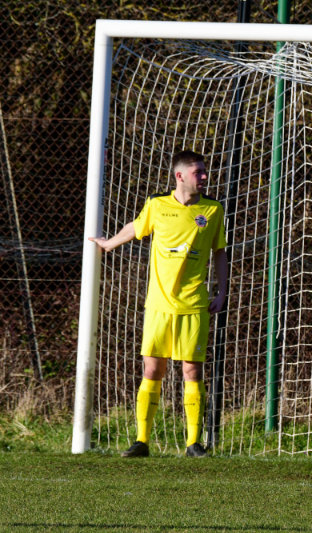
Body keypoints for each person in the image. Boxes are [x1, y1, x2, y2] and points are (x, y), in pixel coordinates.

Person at [89, 150, 228, 458]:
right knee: (153, 369)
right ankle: (141, 441)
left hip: (193, 303)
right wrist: (109, 243)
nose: (204, 177)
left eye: (205, 172)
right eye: (198, 172)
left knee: (192, 370)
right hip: (158, 304)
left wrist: (222, 291)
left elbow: (220, 251)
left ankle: (194, 443)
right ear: (179, 176)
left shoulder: (213, 209)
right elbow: (136, 227)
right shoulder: (157, 204)